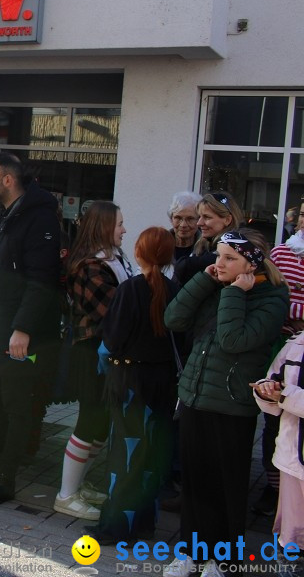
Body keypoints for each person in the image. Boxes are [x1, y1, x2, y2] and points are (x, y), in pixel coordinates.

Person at [163, 229, 289, 577]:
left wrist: (235, 292)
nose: (219, 264)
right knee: (195, 483)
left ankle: (223, 560)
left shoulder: (273, 296)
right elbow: (173, 318)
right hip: (194, 396)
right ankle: (189, 552)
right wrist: (204, 282)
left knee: (226, 487)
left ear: (252, 262)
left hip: (231, 405)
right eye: (218, 256)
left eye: (229, 258)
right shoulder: (215, 283)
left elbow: (234, 340)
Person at [0, 151, 62, 507]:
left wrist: (22, 329)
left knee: (16, 407)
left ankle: (4, 481)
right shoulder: (5, 216)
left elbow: (41, 281)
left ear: (8, 180)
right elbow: (8, 270)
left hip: (19, 338)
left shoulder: (38, 220)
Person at [85, 227, 179, 544]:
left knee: (124, 454)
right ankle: (144, 523)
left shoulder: (130, 290)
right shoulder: (175, 290)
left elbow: (111, 340)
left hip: (128, 382)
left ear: (139, 253)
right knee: (151, 455)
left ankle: (116, 526)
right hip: (163, 383)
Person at [54, 201, 131, 520]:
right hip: (91, 352)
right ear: (103, 228)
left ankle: (78, 487)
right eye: (119, 224)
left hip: (106, 352)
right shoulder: (89, 266)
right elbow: (113, 312)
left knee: (99, 424)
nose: (124, 230)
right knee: (89, 421)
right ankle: (66, 494)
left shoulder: (113, 259)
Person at [253, 232, 304, 518]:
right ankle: (275, 488)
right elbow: (279, 295)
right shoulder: (284, 253)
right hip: (288, 346)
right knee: (276, 423)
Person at [254, 329, 304, 577]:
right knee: (291, 539)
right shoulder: (296, 343)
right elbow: (271, 379)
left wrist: (284, 394)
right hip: (291, 459)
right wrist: (266, 391)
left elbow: (286, 394)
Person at [175, 192, 244, 287]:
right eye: (199, 217)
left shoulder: (237, 253)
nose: (199, 223)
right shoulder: (203, 244)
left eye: (206, 217)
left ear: (227, 220)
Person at [167, 191, 202, 264]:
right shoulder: (158, 245)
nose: (183, 225)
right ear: (171, 219)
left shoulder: (207, 249)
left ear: (199, 220)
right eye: (178, 218)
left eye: (190, 219)